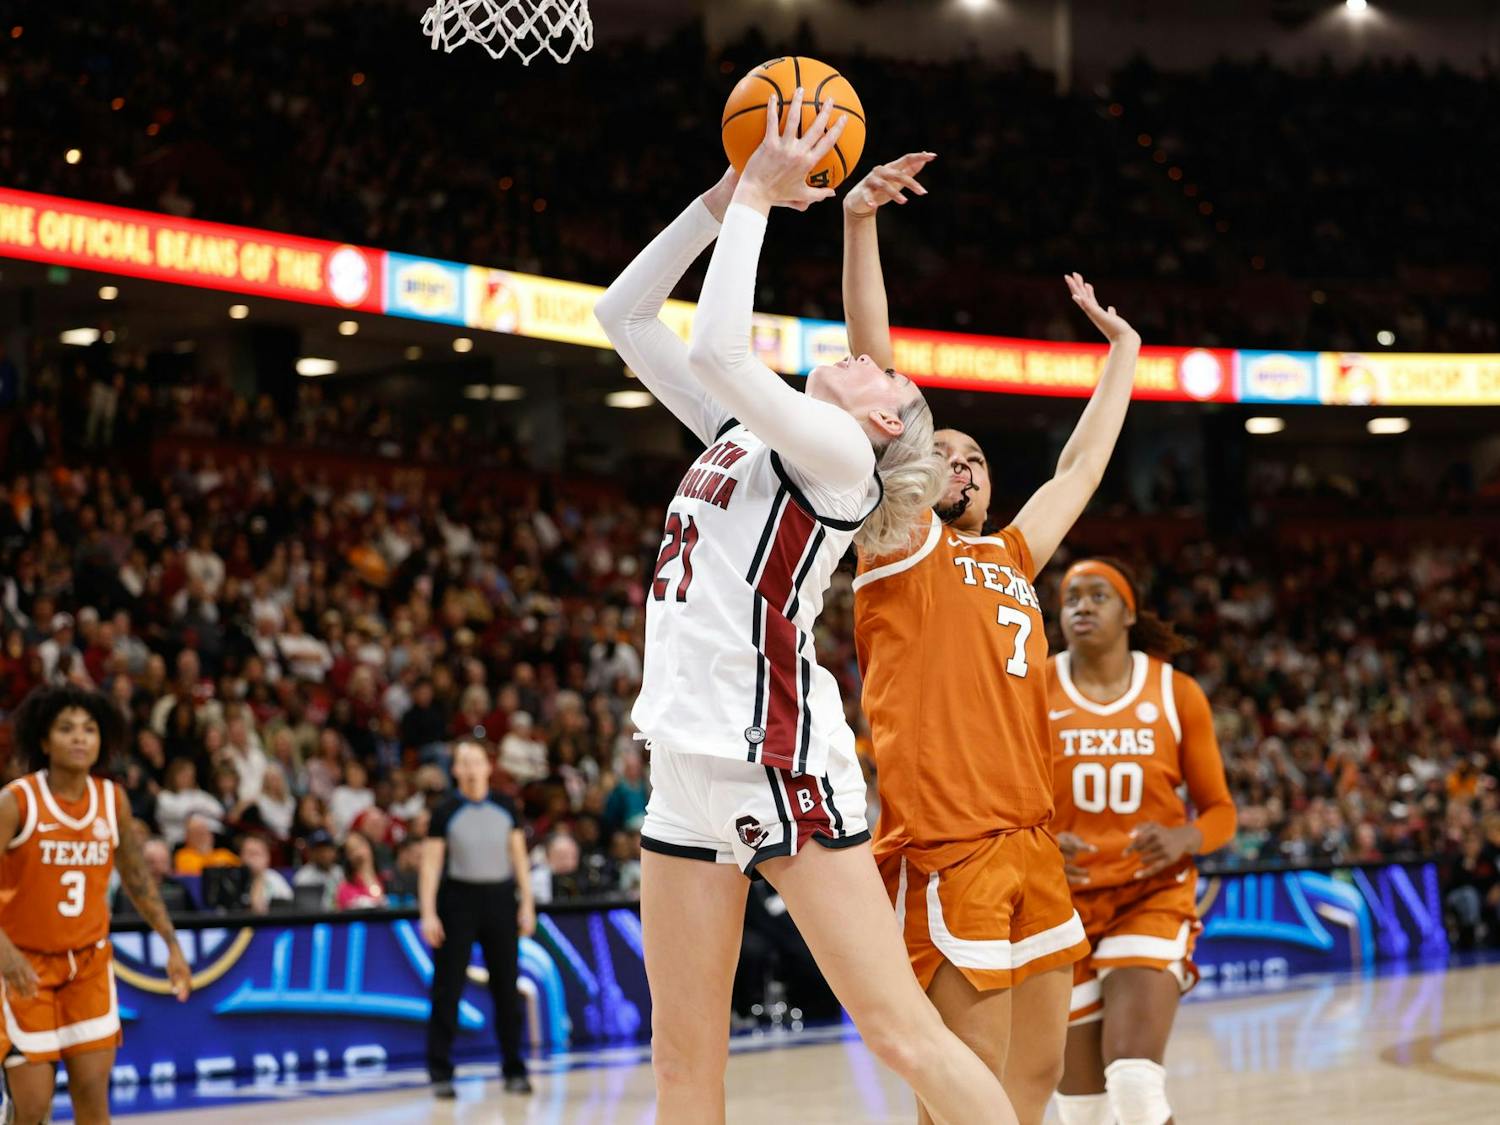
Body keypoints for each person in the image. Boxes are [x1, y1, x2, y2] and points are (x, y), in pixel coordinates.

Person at [595, 93, 1017, 1125]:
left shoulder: (839, 462)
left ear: (884, 423)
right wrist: (724, 195)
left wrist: (759, 202)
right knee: (682, 1061)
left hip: (777, 752)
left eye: (886, 375)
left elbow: (725, 352)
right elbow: (624, 315)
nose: (868, 357)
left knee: (899, 1031)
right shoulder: (742, 436)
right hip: (689, 754)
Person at [844, 151, 1141, 1124]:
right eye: (945, 454)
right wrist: (859, 227)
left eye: (974, 457)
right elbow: (882, 380)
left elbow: (1081, 467)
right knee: (962, 1087)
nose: (960, 462)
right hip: (950, 845)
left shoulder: (1012, 556)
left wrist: (1124, 353)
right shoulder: (900, 548)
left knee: (1033, 1083)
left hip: (1031, 840)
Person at [1048, 559, 1236, 1125]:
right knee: (1081, 1111)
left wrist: (1186, 837)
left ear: (1129, 612)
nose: (1082, 605)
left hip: (1149, 898)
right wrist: (1038, 843)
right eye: (1071, 597)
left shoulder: (1176, 693)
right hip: (1061, 908)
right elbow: (998, 797)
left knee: (1133, 1084)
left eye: (1098, 595)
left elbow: (1221, 811)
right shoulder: (1032, 687)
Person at [0, 685, 191, 1125]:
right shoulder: (18, 801)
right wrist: (5, 952)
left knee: (92, 1097)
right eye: (66, 729)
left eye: (89, 729)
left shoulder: (112, 799)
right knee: (32, 1107)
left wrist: (172, 945)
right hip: (25, 968)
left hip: (87, 966)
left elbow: (138, 878)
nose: (80, 738)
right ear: (44, 741)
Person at [421, 741, 535, 1099]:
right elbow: (430, 864)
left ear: (488, 767)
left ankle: (514, 1067)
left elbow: (519, 859)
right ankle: (440, 1070)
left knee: (507, 987)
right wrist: (428, 912)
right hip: (458, 900)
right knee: (448, 988)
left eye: (476, 762)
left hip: (500, 899)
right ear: (455, 770)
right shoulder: (445, 811)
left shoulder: (505, 806)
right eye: (463, 763)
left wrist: (527, 903)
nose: (470, 769)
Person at [336, 831, 388, 911]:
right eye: (351, 850)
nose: (358, 852)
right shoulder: (345, 888)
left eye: (360, 845)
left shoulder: (388, 878)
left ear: (369, 845)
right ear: (348, 858)